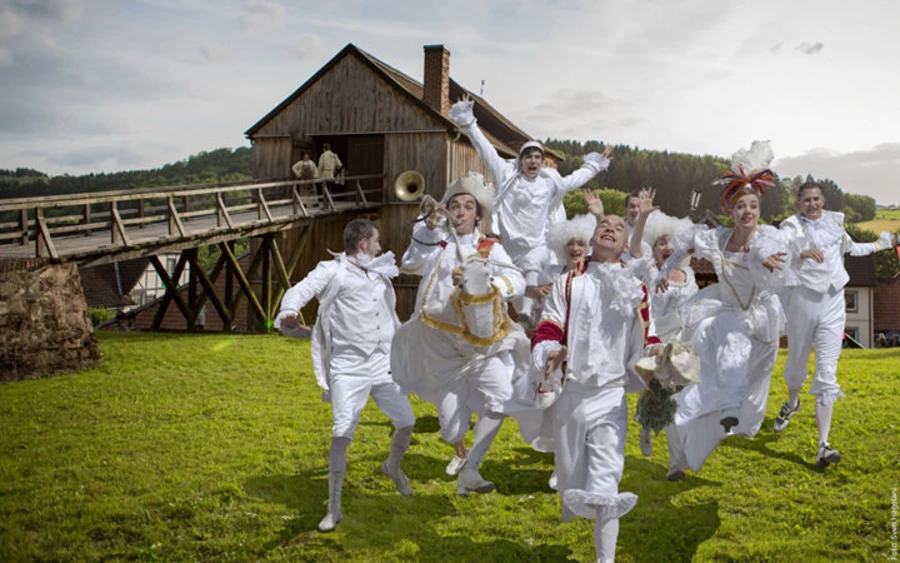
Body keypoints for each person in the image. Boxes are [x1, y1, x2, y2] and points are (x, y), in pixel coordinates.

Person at [531, 214, 663, 563]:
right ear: (591, 236)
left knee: (606, 486)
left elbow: (648, 335)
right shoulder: (569, 282)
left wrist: (658, 351)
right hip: (571, 394)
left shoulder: (637, 286)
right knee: (571, 479)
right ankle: (569, 496)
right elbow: (549, 324)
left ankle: (605, 560)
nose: (610, 228)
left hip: (611, 396)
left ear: (625, 242)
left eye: (619, 227)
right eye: (603, 223)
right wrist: (550, 351)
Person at [658, 141, 789, 480]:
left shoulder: (768, 238)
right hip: (728, 313)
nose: (747, 212)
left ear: (760, 209)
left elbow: (765, 253)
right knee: (726, 349)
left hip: (761, 321)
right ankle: (709, 419)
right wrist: (663, 272)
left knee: (751, 395)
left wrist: (766, 261)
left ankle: (731, 411)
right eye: (740, 206)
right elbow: (681, 246)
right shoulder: (715, 239)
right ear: (730, 211)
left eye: (752, 206)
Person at [275, 218, 416, 532]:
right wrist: (289, 310)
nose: (380, 247)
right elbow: (301, 290)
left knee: (407, 422)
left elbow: (387, 315)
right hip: (348, 366)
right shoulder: (332, 270)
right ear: (363, 243)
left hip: (382, 363)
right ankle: (334, 507)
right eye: (376, 242)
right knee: (342, 434)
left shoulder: (379, 273)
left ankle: (392, 467)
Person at [391, 173, 527, 496]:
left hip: (482, 346)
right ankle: (460, 443)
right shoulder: (436, 243)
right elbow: (409, 263)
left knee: (502, 398)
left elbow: (517, 281)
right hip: (442, 349)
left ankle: (471, 468)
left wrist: (492, 285)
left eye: (468, 206)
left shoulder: (488, 249)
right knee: (452, 428)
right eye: (456, 205)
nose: (461, 211)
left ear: (478, 215)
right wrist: (428, 226)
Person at [448, 95, 610, 326]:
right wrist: (469, 122)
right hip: (510, 242)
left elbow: (575, 179)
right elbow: (486, 151)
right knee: (510, 281)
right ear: (521, 160)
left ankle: (525, 315)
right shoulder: (506, 176)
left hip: (537, 241)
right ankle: (510, 317)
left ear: (542, 161)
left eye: (537, 157)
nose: (533, 161)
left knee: (534, 265)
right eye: (528, 157)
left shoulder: (550, 182)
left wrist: (594, 165)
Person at [774, 181, 896, 467]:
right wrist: (800, 252)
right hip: (803, 301)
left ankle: (823, 446)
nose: (813, 204)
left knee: (827, 374)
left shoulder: (834, 224)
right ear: (799, 204)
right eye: (807, 200)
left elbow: (854, 248)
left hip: (833, 303)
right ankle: (792, 404)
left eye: (817, 199)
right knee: (795, 369)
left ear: (823, 201)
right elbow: (779, 247)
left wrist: (884, 243)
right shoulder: (792, 226)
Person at [627, 189, 698, 458]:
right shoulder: (649, 270)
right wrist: (642, 218)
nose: (667, 247)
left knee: (674, 396)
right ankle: (675, 459)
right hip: (654, 340)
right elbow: (634, 249)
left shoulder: (688, 273)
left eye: (672, 243)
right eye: (661, 243)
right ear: (653, 248)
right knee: (665, 392)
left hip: (682, 343)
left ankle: (649, 423)